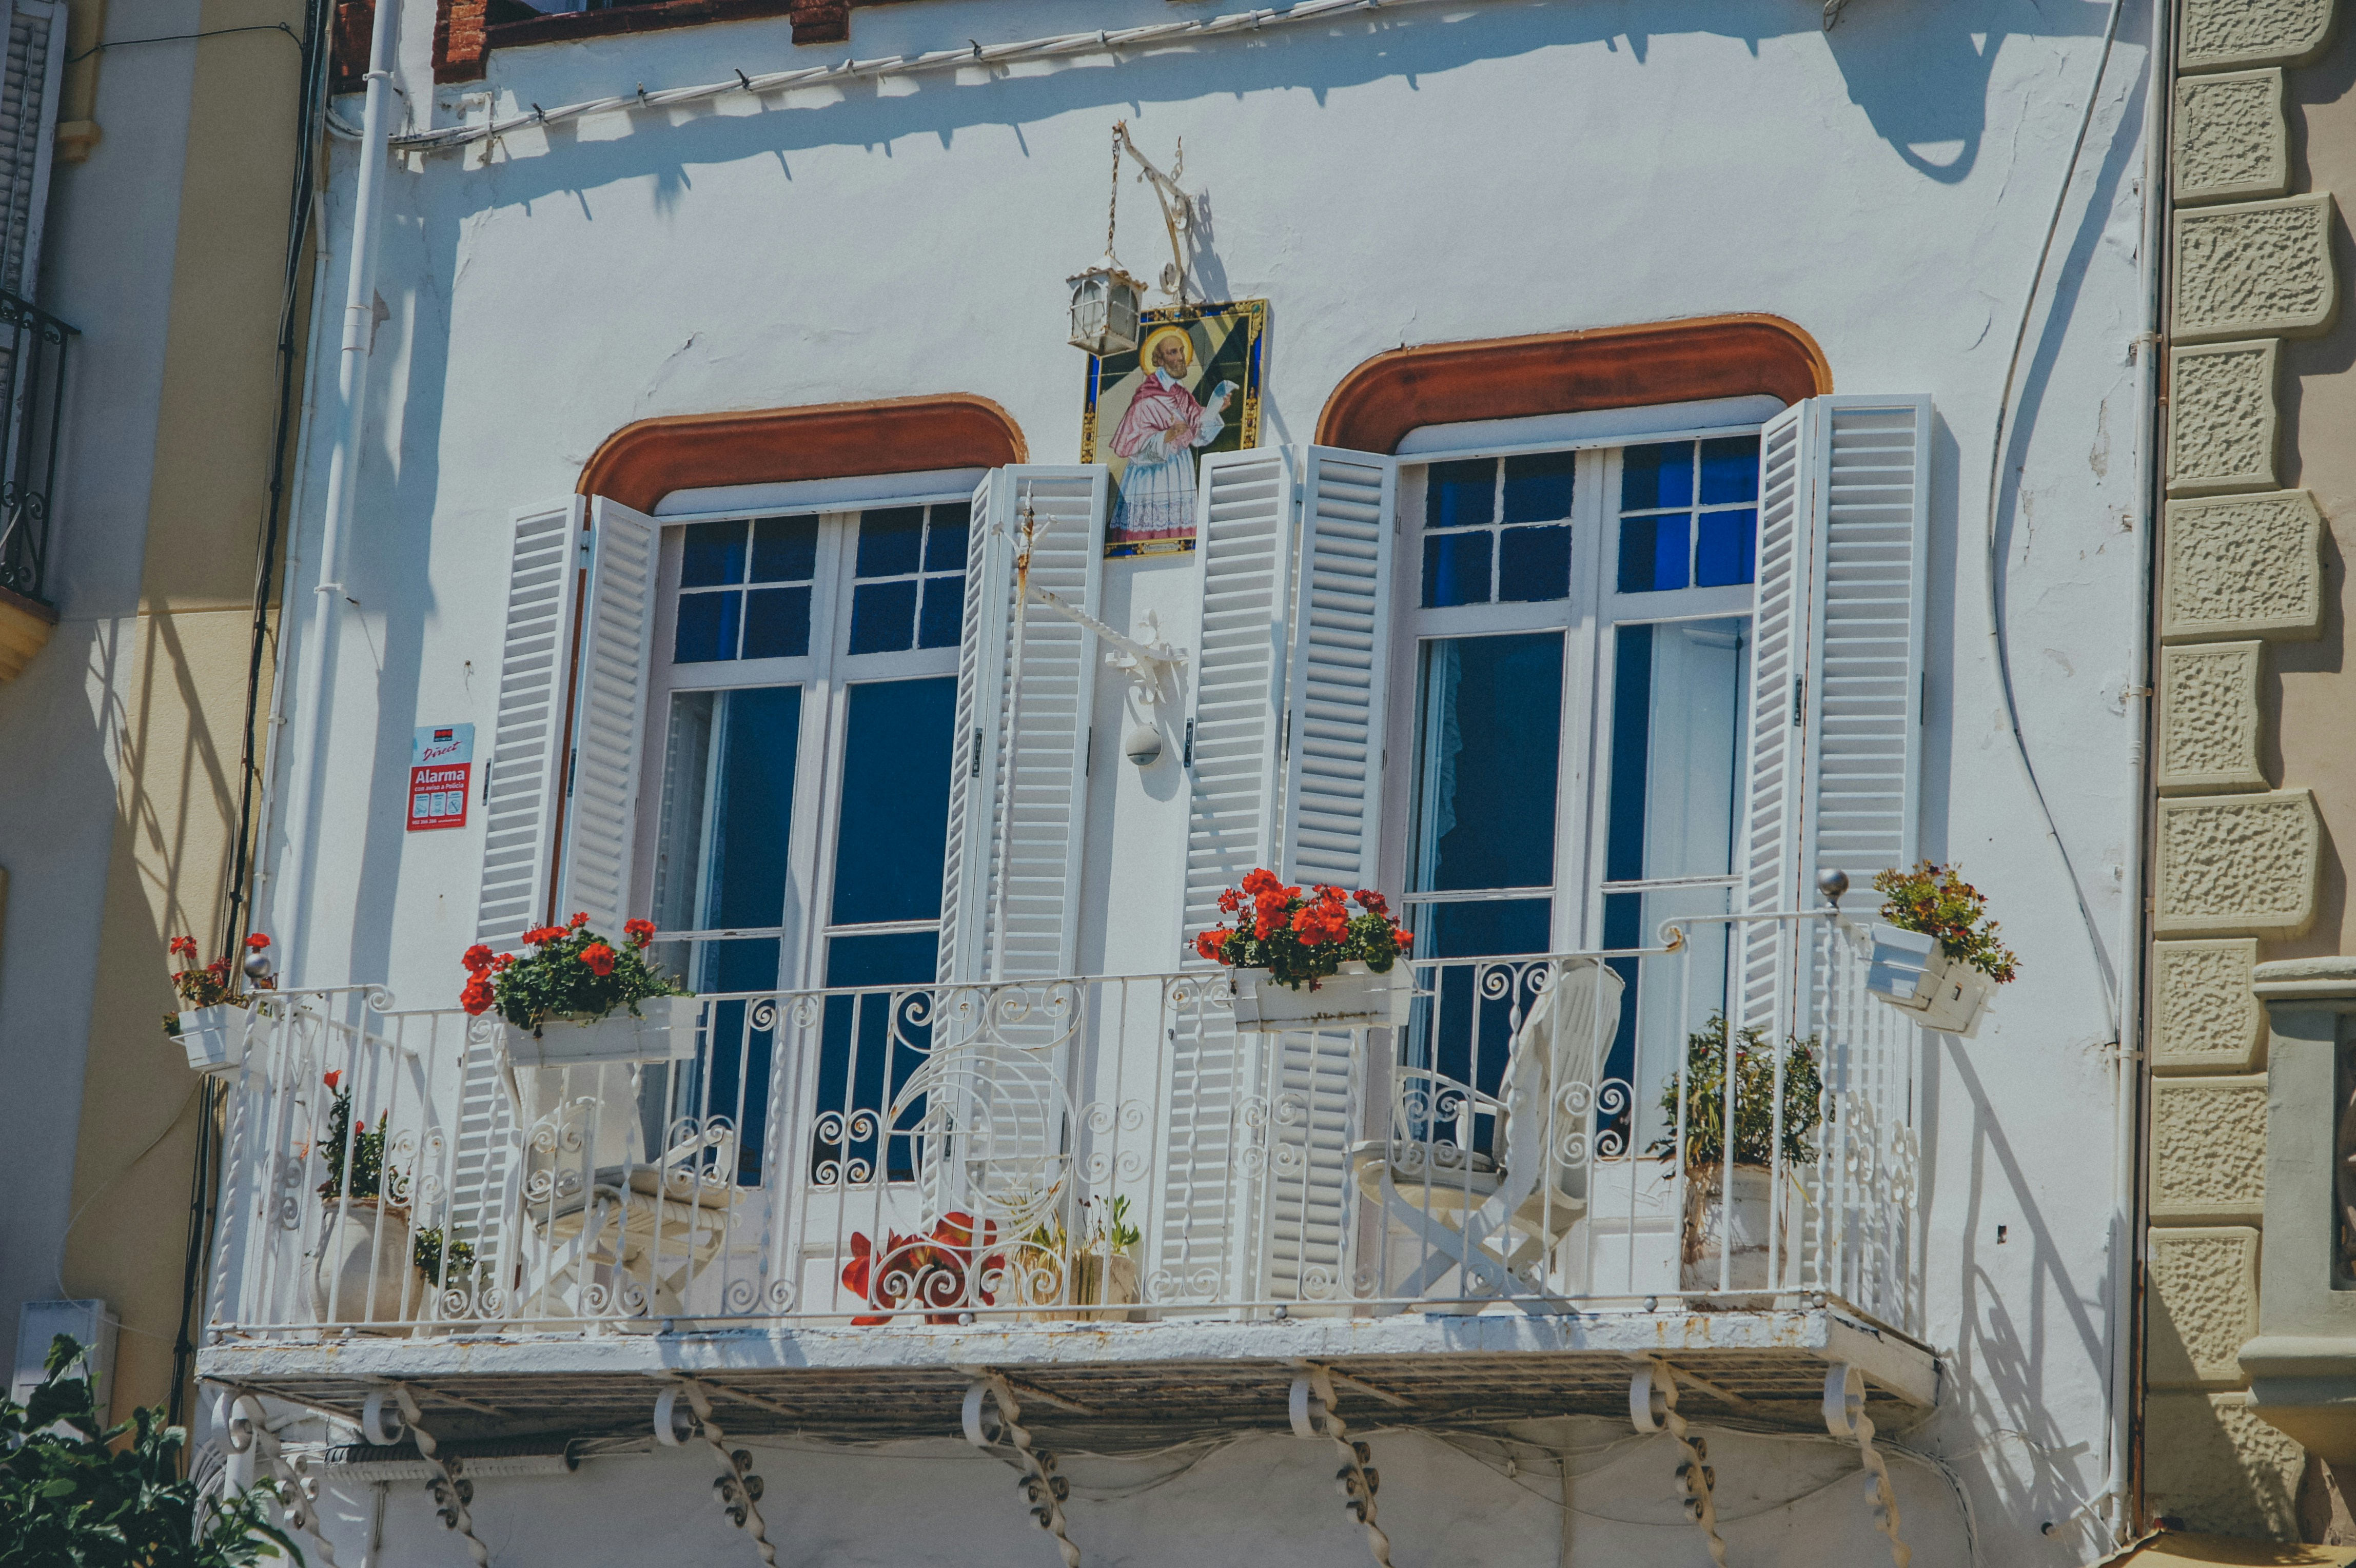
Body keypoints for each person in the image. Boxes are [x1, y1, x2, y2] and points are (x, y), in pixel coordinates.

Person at [1109, 327, 1235, 546]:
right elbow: (1130, 446)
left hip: (1178, 472)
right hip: (1150, 477)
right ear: (1159, 359)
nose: (1181, 358)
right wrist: (1167, 436)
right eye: (1173, 353)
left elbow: (1197, 432)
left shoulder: (1181, 395)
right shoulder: (1145, 399)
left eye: (1181, 351)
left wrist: (1216, 409)